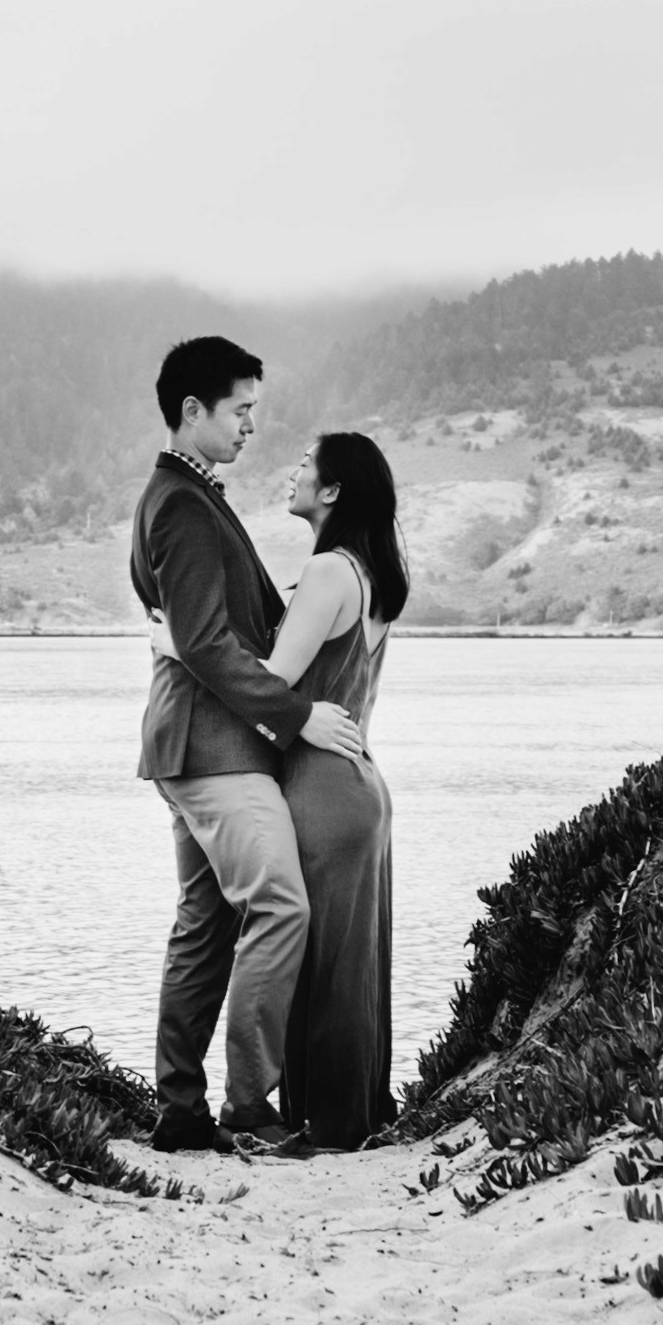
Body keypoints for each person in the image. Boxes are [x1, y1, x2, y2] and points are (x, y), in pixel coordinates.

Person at [129, 336, 362, 1153]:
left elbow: (206, 630)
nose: (251, 427)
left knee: (206, 924)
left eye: (254, 412)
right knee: (279, 905)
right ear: (192, 411)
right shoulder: (185, 506)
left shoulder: (184, 495)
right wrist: (297, 716)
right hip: (215, 750)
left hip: (189, 746)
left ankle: (179, 1112)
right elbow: (203, 642)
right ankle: (246, 1107)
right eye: (240, 410)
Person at [268, 432, 404, 1150]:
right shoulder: (370, 574)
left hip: (321, 790)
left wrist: (176, 649)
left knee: (317, 964)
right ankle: (350, 1115)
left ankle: (328, 1129)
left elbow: (269, 685)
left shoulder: (327, 572)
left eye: (303, 464)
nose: (291, 471)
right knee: (351, 963)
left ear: (330, 491)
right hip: (360, 787)